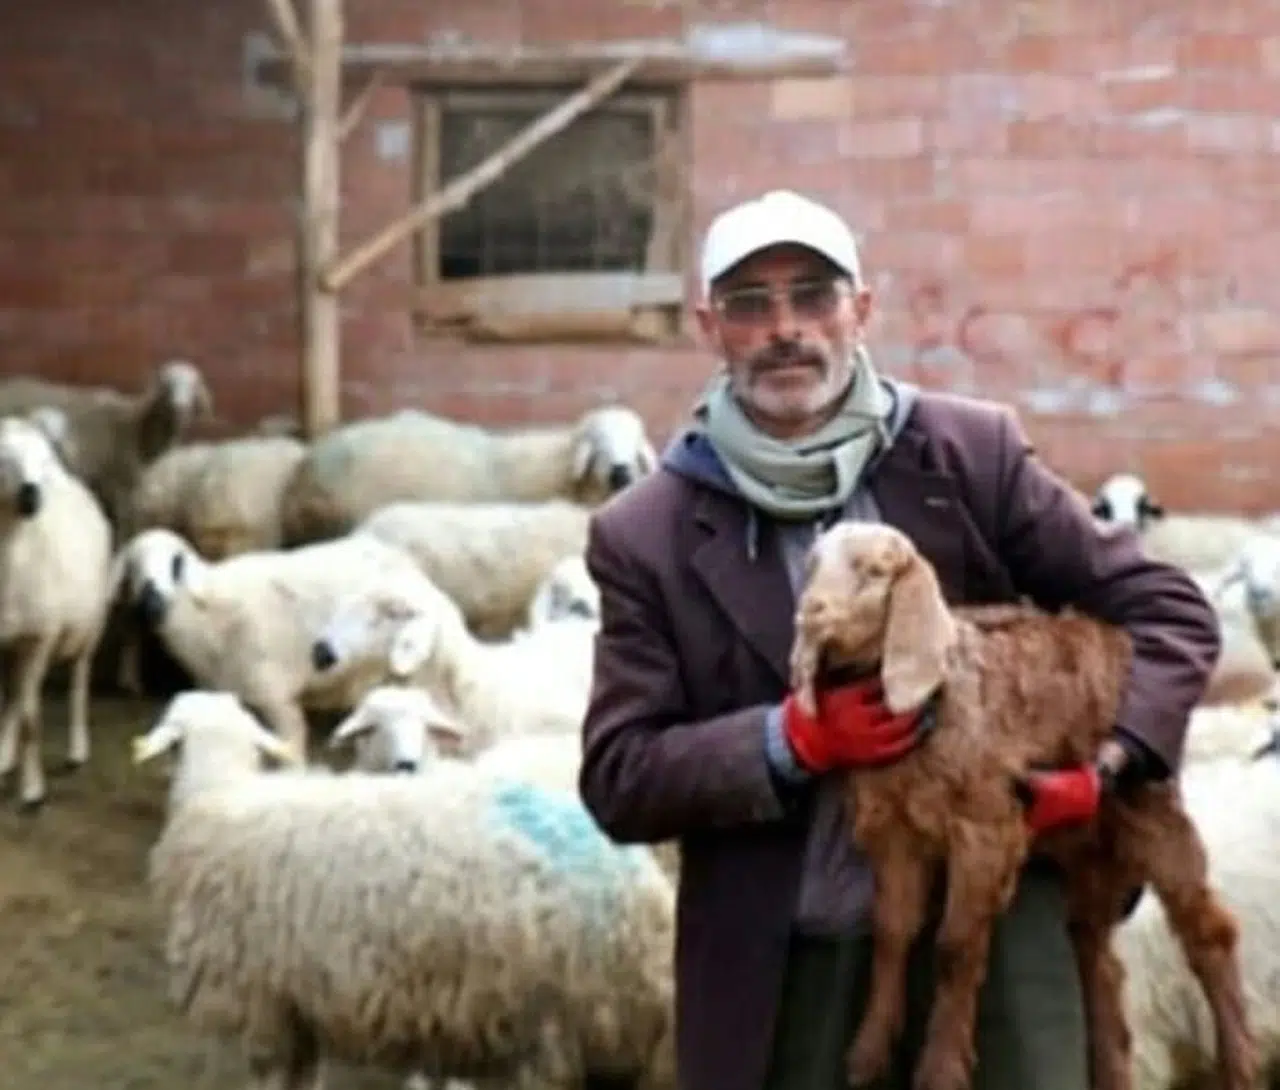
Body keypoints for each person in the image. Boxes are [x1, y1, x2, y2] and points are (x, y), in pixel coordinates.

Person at [575, 189, 1222, 1090]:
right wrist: (786, 743)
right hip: (793, 946)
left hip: (993, 920)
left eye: (814, 296)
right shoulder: (648, 530)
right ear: (708, 327)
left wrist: (1108, 766)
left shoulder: (965, 455)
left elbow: (1168, 610)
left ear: (862, 310)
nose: (786, 329)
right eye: (750, 305)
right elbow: (619, 775)